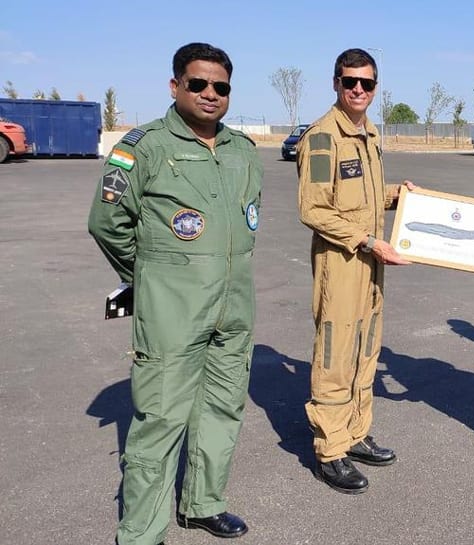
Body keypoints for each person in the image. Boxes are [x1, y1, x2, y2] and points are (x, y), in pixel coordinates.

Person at [88, 42, 261, 545]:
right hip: (172, 313)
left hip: (234, 310)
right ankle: (141, 532)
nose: (211, 94)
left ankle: (204, 504)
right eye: (198, 84)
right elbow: (107, 223)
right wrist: (152, 276)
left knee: (223, 409)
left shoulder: (242, 151)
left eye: (221, 87)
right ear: (175, 86)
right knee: (160, 419)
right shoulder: (143, 148)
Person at [297, 48, 414, 495]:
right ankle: (330, 450)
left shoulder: (369, 135)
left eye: (367, 83)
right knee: (335, 352)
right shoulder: (324, 138)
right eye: (350, 82)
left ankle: (356, 433)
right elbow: (313, 209)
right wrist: (367, 241)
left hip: (371, 263)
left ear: (376, 87)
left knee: (366, 347)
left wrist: (399, 195)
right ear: (336, 84)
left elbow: (363, 198)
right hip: (342, 263)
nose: (359, 90)